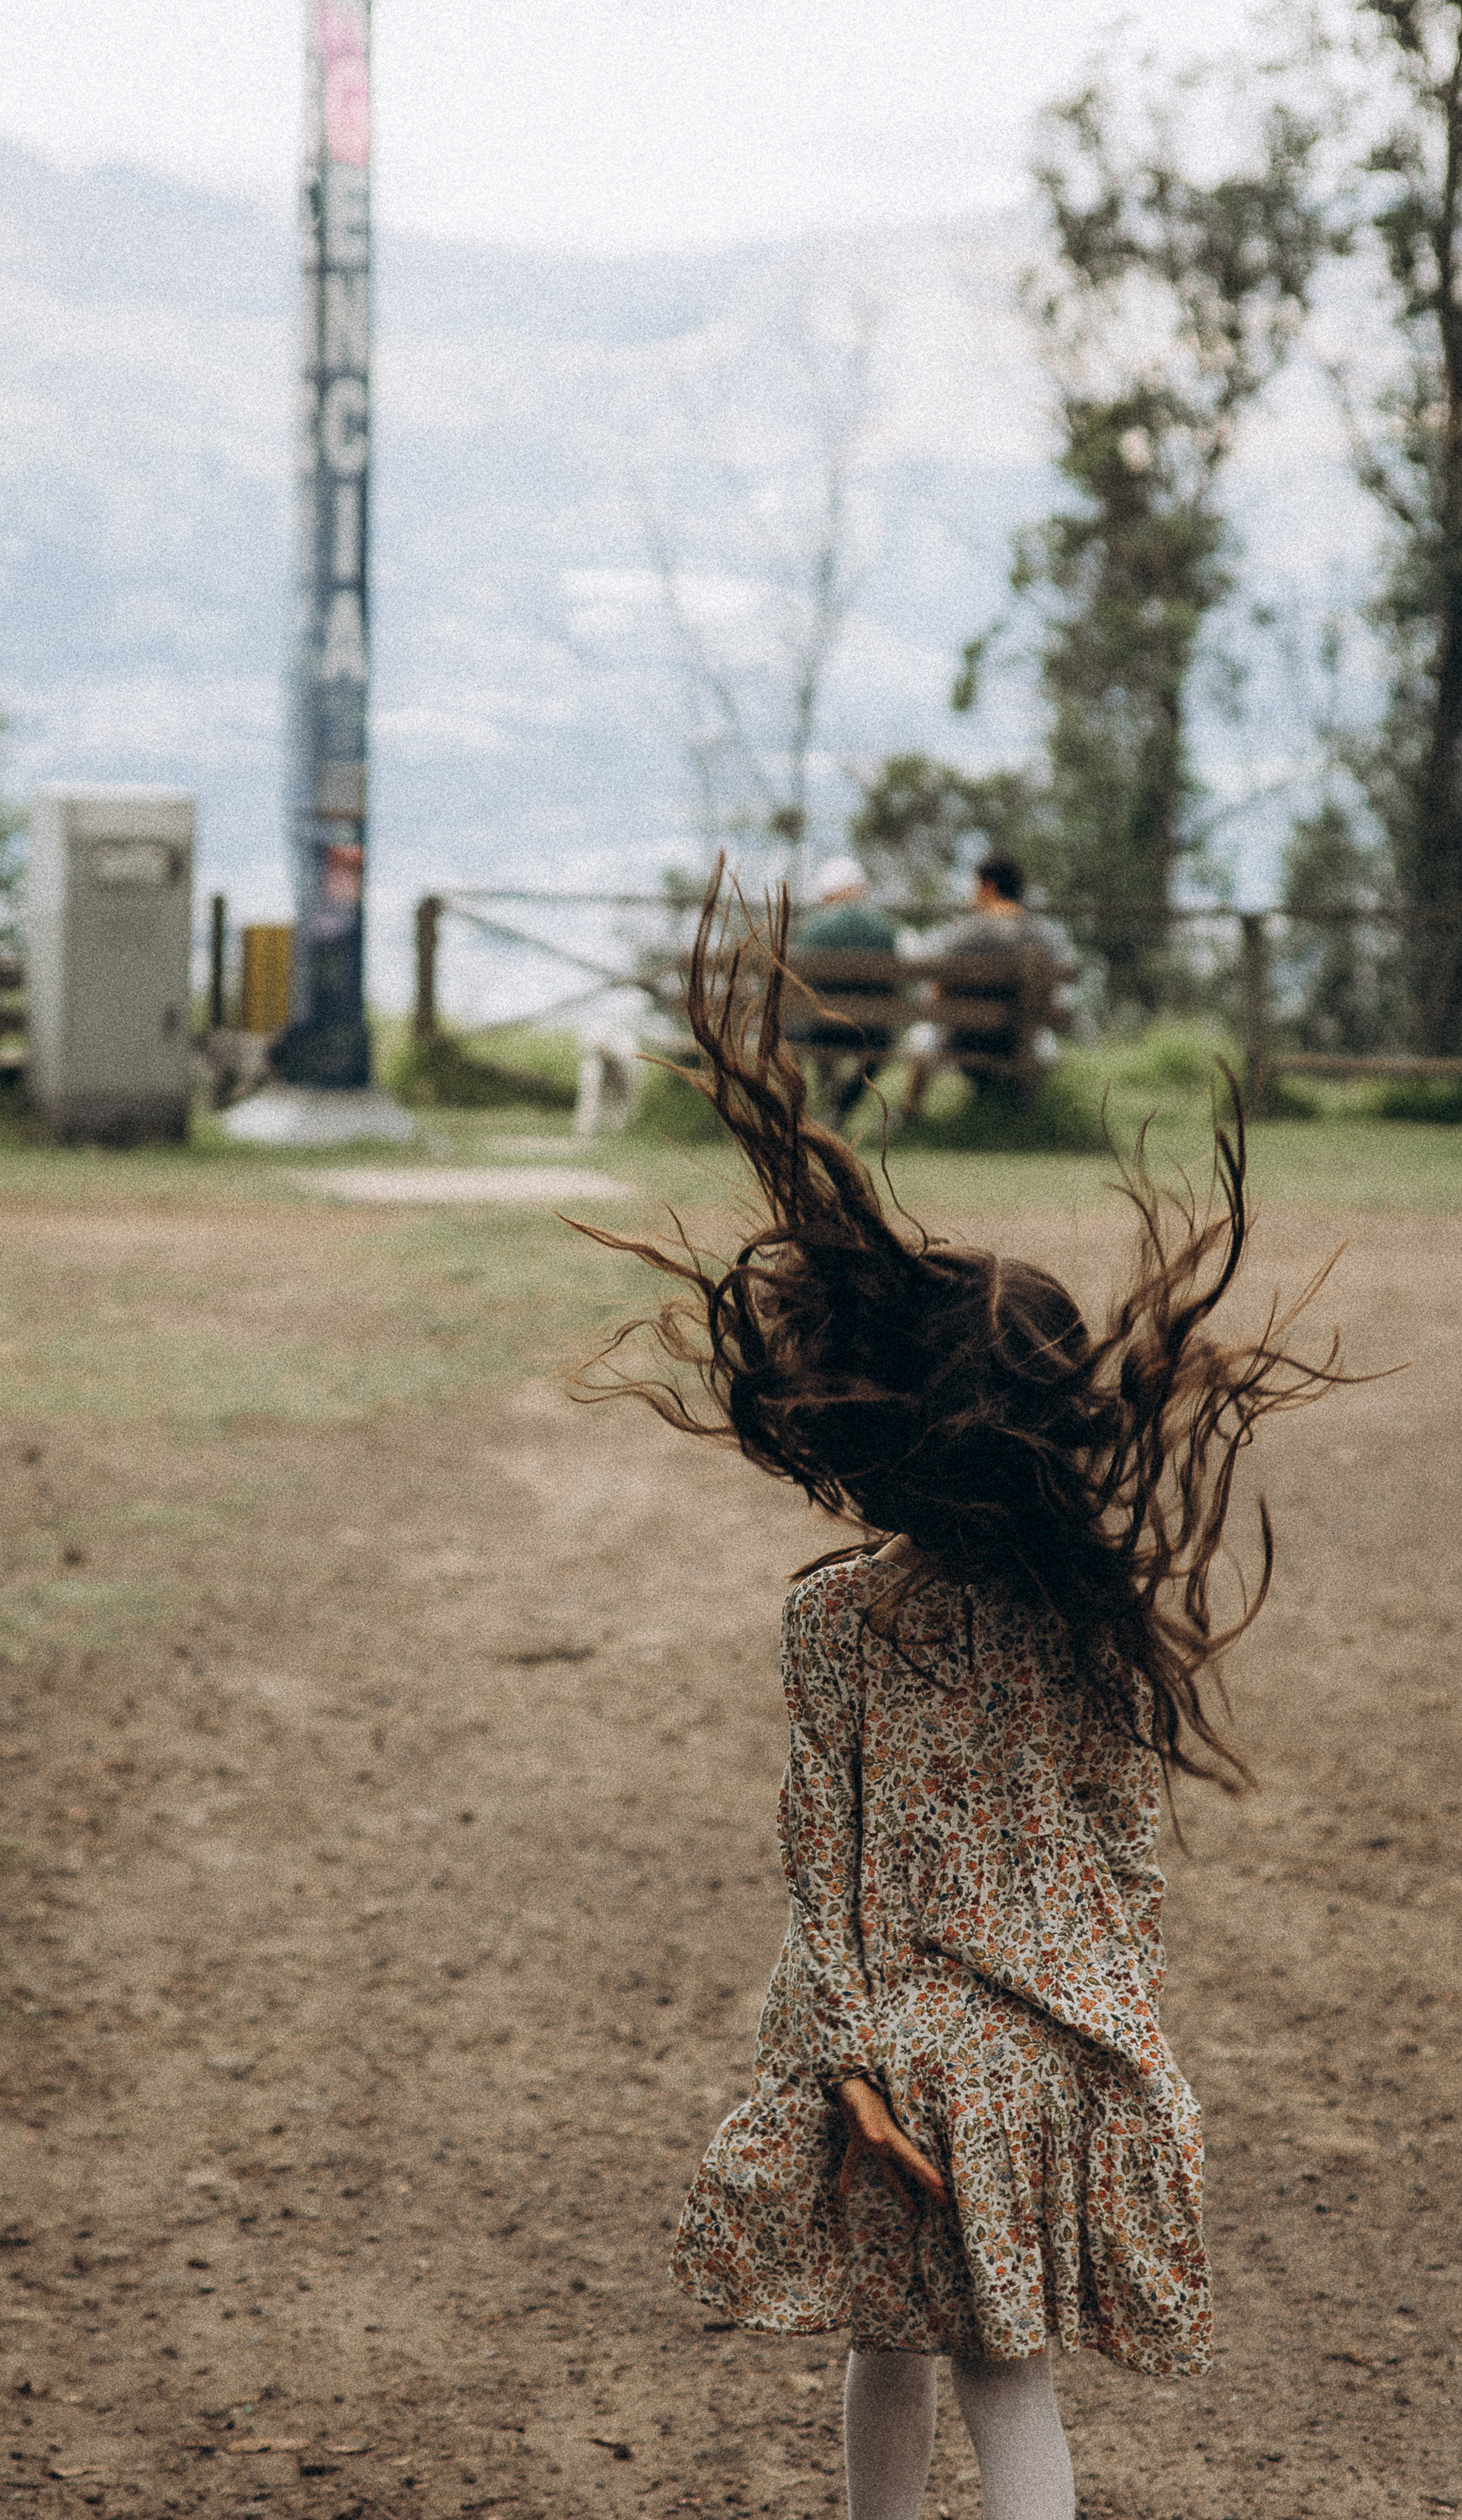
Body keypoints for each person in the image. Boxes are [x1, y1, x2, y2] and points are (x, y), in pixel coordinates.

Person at [573, 874, 1342, 2520]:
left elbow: (821, 1864)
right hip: (1055, 2044)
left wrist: (851, 2066)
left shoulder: (838, 1619)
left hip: (894, 2051)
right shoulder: (1094, 1627)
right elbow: (1125, 1855)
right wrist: (1105, 2032)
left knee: (887, 2344)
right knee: (1013, 2377)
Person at [908, 856, 1072, 1108]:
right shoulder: (1042, 936)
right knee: (1043, 1039)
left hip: (960, 1040)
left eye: (975, 886)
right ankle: (1021, 1112)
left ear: (989, 887)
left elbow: (936, 996)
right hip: (1018, 1040)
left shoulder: (962, 933)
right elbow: (1050, 999)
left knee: (921, 1036)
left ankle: (909, 1111)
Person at [786, 857, 899, 1130]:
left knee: (792, 1031)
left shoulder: (812, 931)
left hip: (819, 1030)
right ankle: (841, 1107)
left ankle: (798, 1112)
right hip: (869, 1034)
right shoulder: (886, 930)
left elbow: (797, 985)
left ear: (829, 892)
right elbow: (896, 987)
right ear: (860, 888)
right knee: (885, 1040)